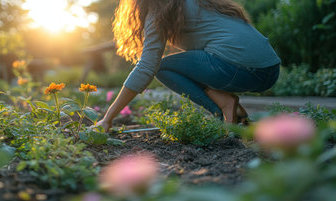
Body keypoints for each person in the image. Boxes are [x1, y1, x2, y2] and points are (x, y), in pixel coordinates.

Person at [97, 0, 281, 131]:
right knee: (176, 63)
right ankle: (226, 103)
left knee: (161, 67)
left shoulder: (159, 13)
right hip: (270, 71)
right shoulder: (203, 3)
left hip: (237, 70)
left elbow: (147, 66)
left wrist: (107, 118)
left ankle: (222, 107)